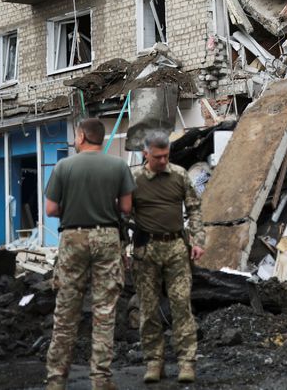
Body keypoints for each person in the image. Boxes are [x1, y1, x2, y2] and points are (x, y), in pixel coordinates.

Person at [44, 118, 136, 390]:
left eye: (76, 135)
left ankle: (56, 380)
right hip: (107, 238)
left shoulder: (63, 167)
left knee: (65, 313)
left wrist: (73, 207)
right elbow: (126, 207)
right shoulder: (118, 166)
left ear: (82, 136)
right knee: (105, 311)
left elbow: (50, 209)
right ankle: (101, 379)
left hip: (73, 238)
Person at [130, 130, 205, 384]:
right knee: (148, 308)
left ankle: (186, 362)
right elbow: (123, 214)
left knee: (181, 305)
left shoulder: (179, 175)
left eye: (166, 156)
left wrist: (198, 240)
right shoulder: (134, 180)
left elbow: (194, 208)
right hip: (146, 250)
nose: (163, 161)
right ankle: (154, 361)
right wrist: (124, 247)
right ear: (146, 154)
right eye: (158, 157)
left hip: (175, 248)